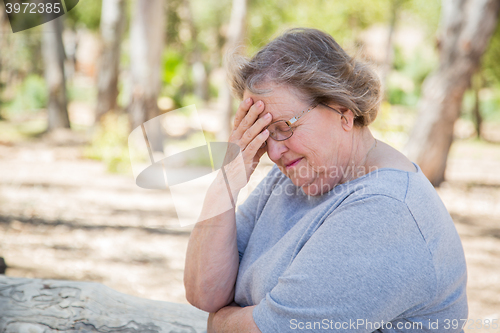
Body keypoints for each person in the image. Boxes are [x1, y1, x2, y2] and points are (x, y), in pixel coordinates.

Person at [184, 28, 468, 332]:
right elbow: (205, 293)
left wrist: (221, 322)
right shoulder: (295, 176)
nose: (274, 151)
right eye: (262, 133)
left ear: (342, 112)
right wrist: (227, 181)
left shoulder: (383, 210)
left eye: (284, 126)